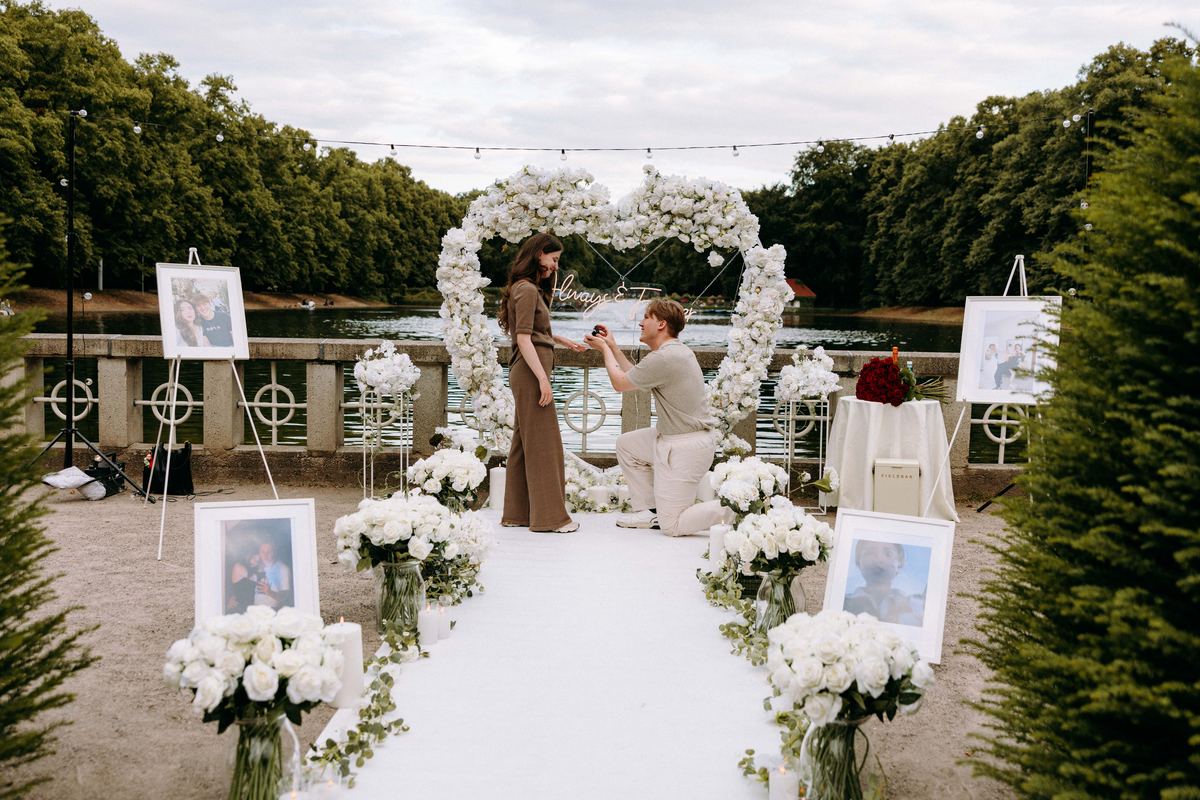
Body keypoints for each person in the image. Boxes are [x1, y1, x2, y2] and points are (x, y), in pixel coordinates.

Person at [584, 298, 732, 537]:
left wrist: (602, 351)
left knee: (672, 526)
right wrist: (612, 347)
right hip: (672, 438)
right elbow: (635, 376)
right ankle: (648, 511)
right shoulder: (671, 353)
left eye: (646, 318)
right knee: (627, 446)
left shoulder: (666, 357)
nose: (640, 323)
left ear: (661, 324)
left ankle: (735, 507)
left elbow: (620, 383)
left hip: (685, 448)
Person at [497, 233, 585, 533]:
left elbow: (534, 331)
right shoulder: (526, 289)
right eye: (554, 259)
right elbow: (522, 338)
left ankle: (517, 513)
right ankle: (551, 519)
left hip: (530, 370)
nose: (556, 266)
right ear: (539, 255)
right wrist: (543, 381)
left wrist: (559, 339)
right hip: (530, 373)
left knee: (523, 443)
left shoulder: (528, 288)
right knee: (545, 445)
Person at [842, 540, 922, 626]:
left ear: (900, 564)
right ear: (858, 562)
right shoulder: (843, 602)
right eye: (869, 553)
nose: (879, 559)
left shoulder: (916, 606)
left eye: (888, 554)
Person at [253, 540, 292, 609]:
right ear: (259, 553)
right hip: (255, 610)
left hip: (272, 610)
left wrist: (269, 592)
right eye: (263, 552)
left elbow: (285, 598)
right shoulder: (255, 566)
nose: (265, 555)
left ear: (274, 552)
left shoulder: (282, 569)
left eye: (269, 552)